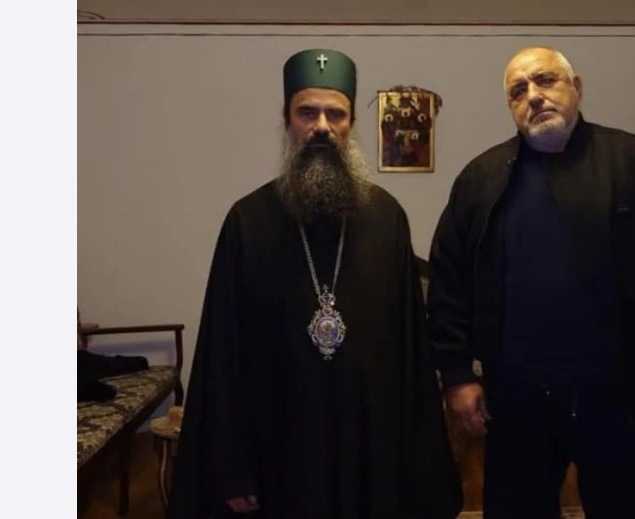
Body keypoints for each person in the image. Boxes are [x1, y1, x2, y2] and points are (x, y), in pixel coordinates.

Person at [426, 46, 635, 518]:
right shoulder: (480, 180)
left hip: (621, 399)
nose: (534, 96)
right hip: (516, 402)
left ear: (576, 87)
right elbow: (448, 285)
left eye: (546, 80)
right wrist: (458, 375)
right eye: (518, 91)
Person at [167, 48, 462, 519]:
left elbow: (410, 351)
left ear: (350, 124)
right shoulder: (248, 221)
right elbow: (223, 354)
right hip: (277, 443)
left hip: (369, 445)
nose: (322, 126)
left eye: (335, 114)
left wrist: (413, 462)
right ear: (286, 120)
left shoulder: (387, 218)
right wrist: (232, 467)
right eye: (308, 112)